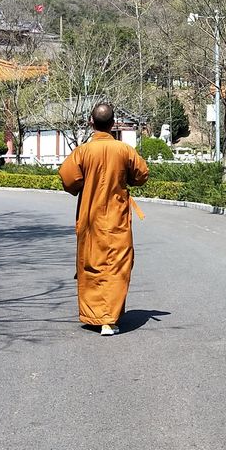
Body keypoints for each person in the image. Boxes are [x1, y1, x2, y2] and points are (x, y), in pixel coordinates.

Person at [58, 103, 150, 335]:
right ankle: (109, 318)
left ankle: (95, 315)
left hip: (90, 218)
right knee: (117, 265)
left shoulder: (83, 151)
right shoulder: (124, 150)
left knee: (92, 264)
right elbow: (141, 176)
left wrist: (86, 182)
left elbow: (69, 180)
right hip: (117, 219)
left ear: (91, 122)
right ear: (113, 124)